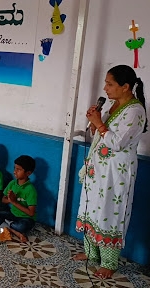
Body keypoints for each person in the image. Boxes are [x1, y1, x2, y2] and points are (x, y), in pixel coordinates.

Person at [74, 65, 148, 279]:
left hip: (116, 174)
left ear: (125, 87)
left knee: (109, 214)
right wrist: (94, 124)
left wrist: (99, 123)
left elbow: (117, 143)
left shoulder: (135, 111)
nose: (105, 88)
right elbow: (102, 136)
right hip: (98, 170)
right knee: (93, 210)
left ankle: (109, 262)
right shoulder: (113, 107)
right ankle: (91, 254)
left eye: (110, 84)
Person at [0, 155, 37, 243]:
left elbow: (31, 213)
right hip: (12, 214)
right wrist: (9, 200)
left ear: (28, 173)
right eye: (15, 168)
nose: (14, 172)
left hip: (25, 218)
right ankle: (14, 231)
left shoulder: (31, 190)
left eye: (19, 169)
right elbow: (3, 199)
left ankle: (7, 225)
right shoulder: (12, 183)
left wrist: (14, 202)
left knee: (21, 226)